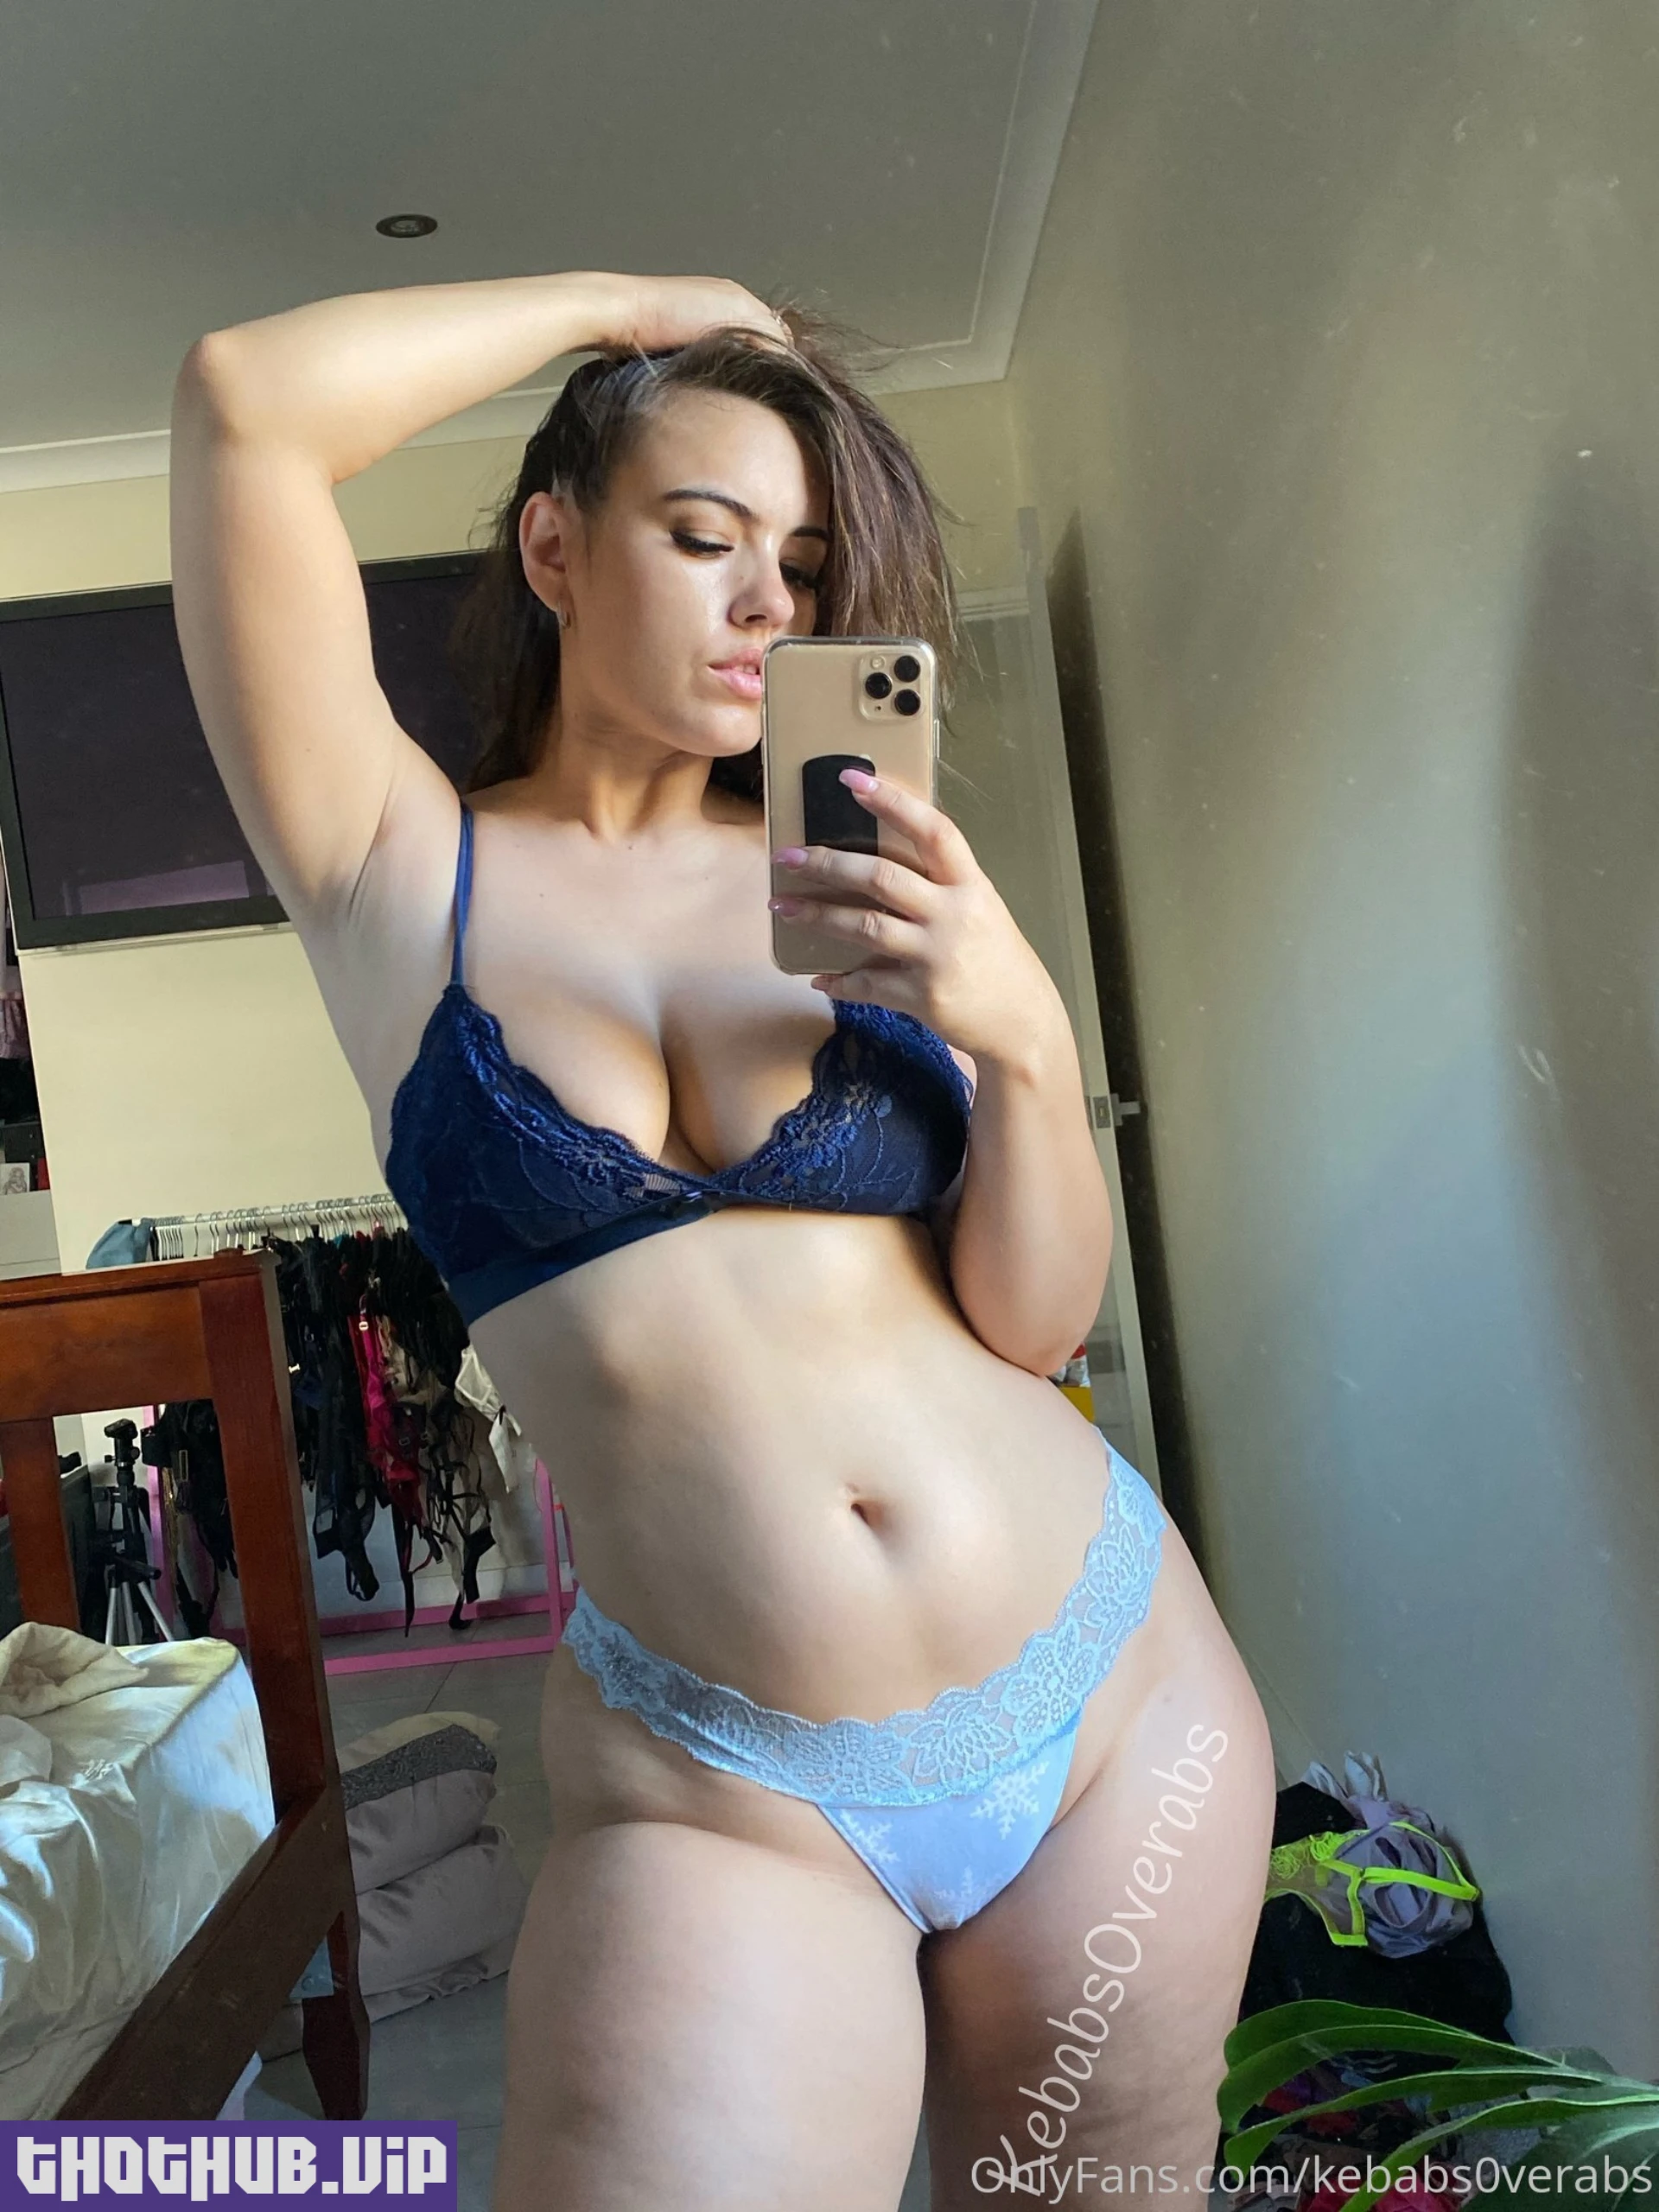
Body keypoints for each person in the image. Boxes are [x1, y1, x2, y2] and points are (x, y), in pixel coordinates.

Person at [170, 270, 1277, 2212]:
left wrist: (1021, 1034)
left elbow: (1033, 1324)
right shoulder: (395, 866)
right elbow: (244, 403)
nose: (771, 601)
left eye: (805, 562)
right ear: (555, 547)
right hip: (726, 1784)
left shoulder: (846, 863)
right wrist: (631, 304)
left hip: (1116, 1693)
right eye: (705, 537)